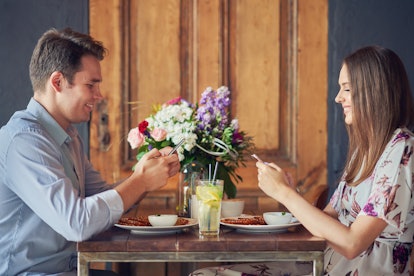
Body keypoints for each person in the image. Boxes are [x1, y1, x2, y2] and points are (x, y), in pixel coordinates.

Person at [191, 46, 414, 275]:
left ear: (373, 91)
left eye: (346, 89)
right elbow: (328, 218)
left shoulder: (401, 148)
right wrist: (290, 192)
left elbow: (352, 244)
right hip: (324, 263)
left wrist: (283, 194)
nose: (338, 98)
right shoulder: (366, 150)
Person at [0, 28, 180, 275]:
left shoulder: (69, 137)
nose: (99, 95)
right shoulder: (25, 141)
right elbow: (77, 223)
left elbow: (104, 198)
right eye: (90, 85)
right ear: (57, 82)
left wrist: (144, 178)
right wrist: (140, 181)